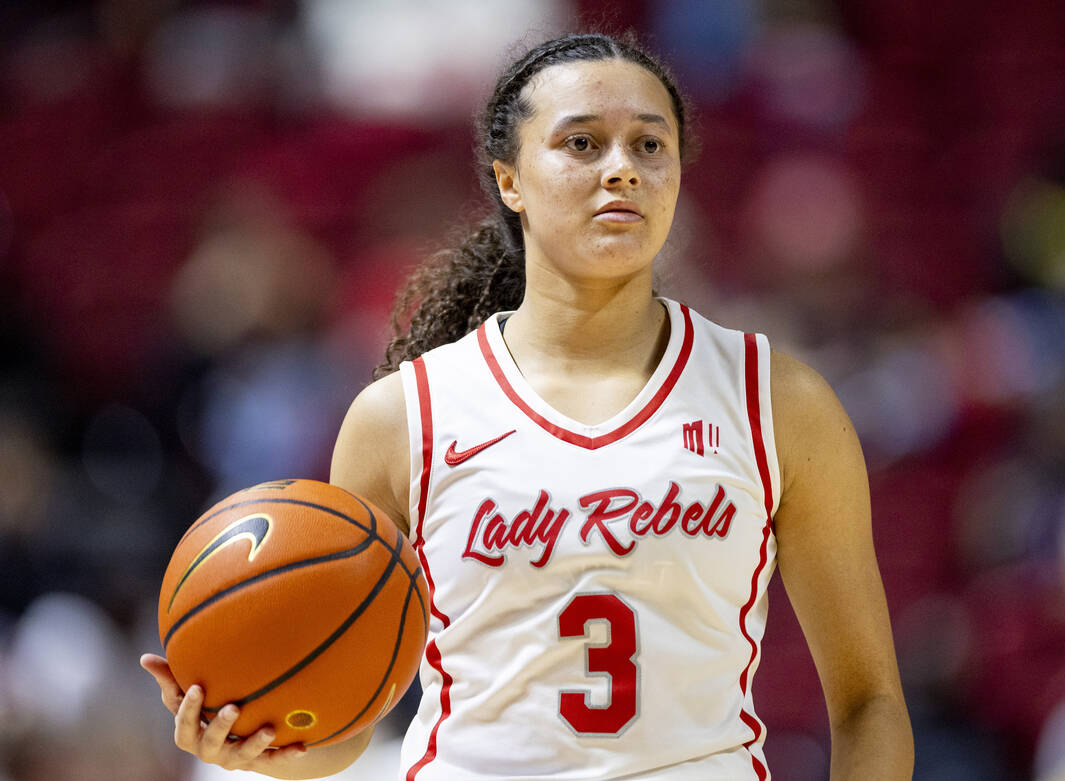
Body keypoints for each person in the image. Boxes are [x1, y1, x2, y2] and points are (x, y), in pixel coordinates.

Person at [142, 32, 914, 780]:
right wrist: (258, 740)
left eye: (651, 145)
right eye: (582, 143)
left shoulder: (777, 401)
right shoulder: (402, 418)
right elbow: (349, 723)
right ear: (509, 178)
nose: (623, 170)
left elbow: (869, 702)